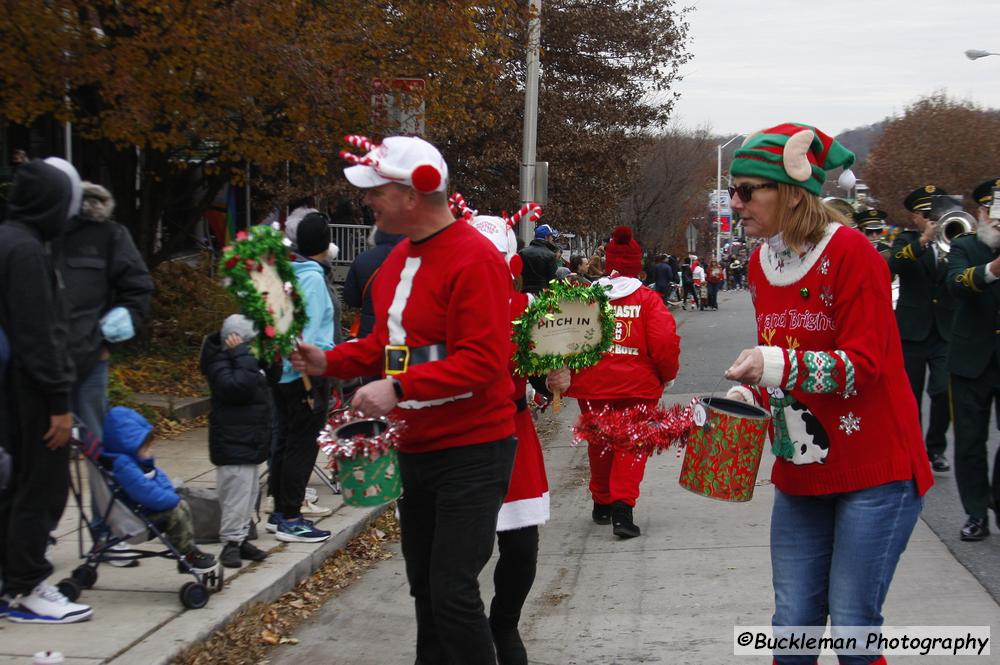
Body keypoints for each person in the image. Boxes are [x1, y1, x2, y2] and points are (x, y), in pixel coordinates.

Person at [292, 135, 516, 665]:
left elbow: (484, 362)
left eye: (377, 191)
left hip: (473, 451)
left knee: (452, 591)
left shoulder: (474, 259)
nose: (367, 201)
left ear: (415, 193)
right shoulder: (395, 262)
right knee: (424, 587)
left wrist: (398, 387)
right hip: (415, 451)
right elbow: (385, 345)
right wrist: (331, 361)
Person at [722, 123, 933, 665]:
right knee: (792, 626)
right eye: (733, 189)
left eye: (748, 190)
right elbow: (783, 355)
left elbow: (863, 367)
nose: (736, 202)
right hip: (803, 465)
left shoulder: (852, 253)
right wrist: (755, 394)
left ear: (790, 192)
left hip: (875, 468)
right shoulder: (760, 262)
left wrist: (773, 364)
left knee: (854, 632)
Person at [0, 158, 94, 624]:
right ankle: (25, 585)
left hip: (14, 389)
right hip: (34, 393)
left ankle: (11, 579)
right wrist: (59, 402)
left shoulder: (11, 240)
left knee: (17, 487)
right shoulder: (28, 252)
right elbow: (40, 332)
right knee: (42, 487)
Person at [555, 225, 680, 538]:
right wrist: (667, 375)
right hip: (638, 385)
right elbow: (664, 341)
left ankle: (601, 502)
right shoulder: (648, 300)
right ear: (636, 264)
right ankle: (623, 509)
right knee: (631, 443)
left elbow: (566, 335)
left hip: (593, 384)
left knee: (599, 441)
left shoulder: (588, 298)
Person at [466, 210, 551, 665]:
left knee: (521, 546)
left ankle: (505, 622)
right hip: (459, 438)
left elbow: (547, 373)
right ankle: (469, 627)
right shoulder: (445, 309)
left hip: (512, 434)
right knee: (464, 549)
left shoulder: (527, 311)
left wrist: (556, 376)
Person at [267, 212, 336, 542]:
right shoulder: (312, 279)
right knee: (302, 444)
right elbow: (306, 332)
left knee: (285, 439)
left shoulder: (291, 274)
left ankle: (279, 510)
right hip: (305, 372)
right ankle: (290, 516)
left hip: (286, 372)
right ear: (325, 244)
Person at [944, 177, 1000, 541]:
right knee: (969, 441)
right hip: (970, 359)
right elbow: (955, 283)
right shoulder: (965, 246)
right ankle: (976, 513)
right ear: (981, 213)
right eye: (993, 215)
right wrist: (993, 270)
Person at [100, 407, 218, 572]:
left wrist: (152, 469)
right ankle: (187, 554)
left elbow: (158, 479)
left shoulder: (133, 463)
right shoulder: (124, 466)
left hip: (141, 513)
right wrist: (172, 499)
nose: (150, 451)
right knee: (178, 509)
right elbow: (147, 493)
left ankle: (189, 551)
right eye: (146, 448)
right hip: (136, 522)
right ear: (129, 446)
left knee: (178, 504)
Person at [888, 187, 954, 475]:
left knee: (942, 391)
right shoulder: (907, 240)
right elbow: (896, 264)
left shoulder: (954, 238)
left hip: (943, 330)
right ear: (914, 217)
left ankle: (935, 448)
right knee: (910, 395)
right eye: (925, 215)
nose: (931, 219)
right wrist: (924, 241)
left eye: (934, 215)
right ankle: (911, 449)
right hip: (912, 330)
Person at [200, 314, 275, 568]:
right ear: (236, 340)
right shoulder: (222, 361)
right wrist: (242, 354)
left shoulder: (243, 359)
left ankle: (241, 537)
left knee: (249, 492)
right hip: (233, 441)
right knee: (235, 494)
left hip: (248, 439)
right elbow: (237, 387)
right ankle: (231, 542)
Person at [343, 228, 405, 340]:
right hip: (402, 329)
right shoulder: (412, 258)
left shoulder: (362, 259)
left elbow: (351, 299)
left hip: (369, 329)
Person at [519, 223, 559, 294]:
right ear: (546, 237)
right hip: (542, 295)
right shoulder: (550, 255)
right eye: (551, 236)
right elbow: (552, 279)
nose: (552, 239)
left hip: (524, 292)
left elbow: (518, 274)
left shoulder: (522, 252)